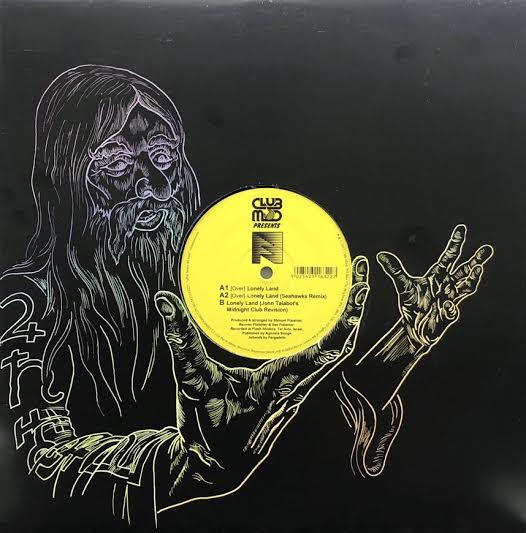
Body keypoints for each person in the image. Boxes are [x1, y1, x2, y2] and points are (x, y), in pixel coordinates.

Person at [0, 65, 493, 525]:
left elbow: (294, 419)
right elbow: (41, 465)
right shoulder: (26, 304)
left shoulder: (208, 286)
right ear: (66, 176)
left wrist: (406, 342)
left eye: (163, 156)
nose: (154, 186)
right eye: (116, 161)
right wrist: (190, 461)